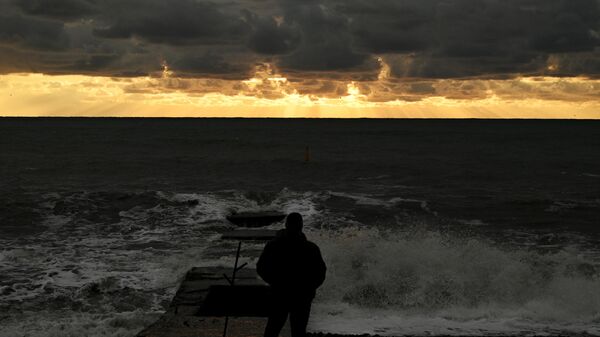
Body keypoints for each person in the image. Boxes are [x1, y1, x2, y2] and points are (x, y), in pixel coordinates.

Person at [257, 212, 326, 337]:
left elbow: (261, 268)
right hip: (302, 296)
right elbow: (320, 273)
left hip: (279, 294)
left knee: (272, 330)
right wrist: (309, 288)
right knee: (298, 331)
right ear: (301, 226)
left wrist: (274, 283)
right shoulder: (311, 248)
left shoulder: (273, 246)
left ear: (286, 225)